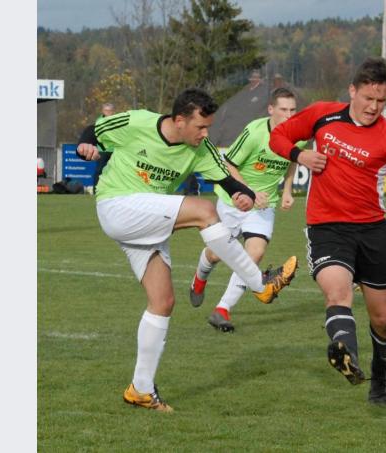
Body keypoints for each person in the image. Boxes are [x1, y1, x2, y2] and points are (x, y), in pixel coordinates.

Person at [75, 88, 298, 412]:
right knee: (205, 211)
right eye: (200, 127)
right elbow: (94, 130)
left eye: (208, 127)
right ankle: (260, 285)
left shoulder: (200, 149)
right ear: (179, 120)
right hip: (116, 204)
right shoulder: (138, 122)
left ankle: (140, 389)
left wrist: (243, 193)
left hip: (147, 220)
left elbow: (226, 180)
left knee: (163, 301)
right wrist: (88, 145)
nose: (205, 134)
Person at [269, 57, 386, 405]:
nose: (374, 107)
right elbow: (278, 137)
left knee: (383, 319)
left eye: (381, 101)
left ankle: (380, 378)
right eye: (368, 98)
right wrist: (300, 155)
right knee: (337, 292)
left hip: (372, 231)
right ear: (352, 91)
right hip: (327, 227)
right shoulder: (323, 115)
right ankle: (347, 356)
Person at [189, 87, 304, 332]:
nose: (289, 115)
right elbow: (227, 164)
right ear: (271, 109)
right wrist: (250, 191)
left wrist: (286, 191)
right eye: (283, 109)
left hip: (264, 205)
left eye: (293, 110)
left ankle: (222, 309)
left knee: (255, 253)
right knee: (216, 254)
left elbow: (293, 160)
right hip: (234, 199)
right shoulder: (255, 131)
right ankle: (200, 277)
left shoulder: (299, 135)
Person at [92, 103, 116, 189]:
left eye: (110, 111)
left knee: (114, 171)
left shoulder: (117, 121)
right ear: (103, 111)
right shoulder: (99, 121)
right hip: (102, 150)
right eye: (106, 111)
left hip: (114, 150)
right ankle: (96, 189)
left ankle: (112, 189)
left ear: (113, 112)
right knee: (99, 170)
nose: (108, 113)